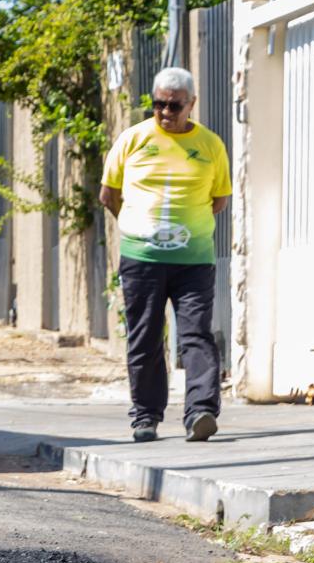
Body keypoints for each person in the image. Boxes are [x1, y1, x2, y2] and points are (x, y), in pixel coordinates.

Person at [99, 66, 232, 443]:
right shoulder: (133, 139)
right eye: (158, 104)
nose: (165, 113)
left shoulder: (210, 145)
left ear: (191, 104)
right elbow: (109, 194)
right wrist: (139, 228)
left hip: (194, 260)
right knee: (144, 336)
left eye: (174, 106)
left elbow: (219, 200)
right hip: (141, 259)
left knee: (196, 335)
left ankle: (201, 412)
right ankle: (145, 416)